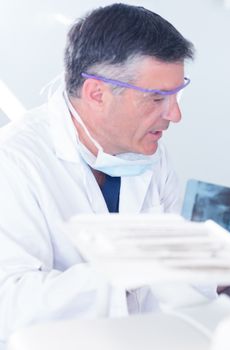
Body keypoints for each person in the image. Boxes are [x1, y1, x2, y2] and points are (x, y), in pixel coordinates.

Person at [0, 4, 211, 347]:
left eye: (176, 94)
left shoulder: (151, 156)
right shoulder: (13, 162)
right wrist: (124, 269)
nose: (174, 114)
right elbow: (10, 306)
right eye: (157, 97)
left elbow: (176, 288)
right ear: (97, 93)